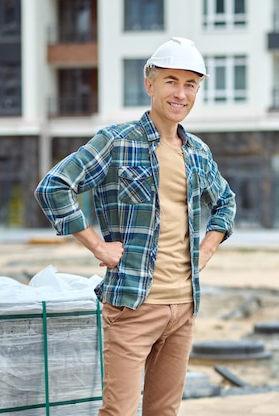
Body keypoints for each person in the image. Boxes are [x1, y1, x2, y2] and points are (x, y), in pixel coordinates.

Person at [34, 37, 236, 416]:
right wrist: (97, 246)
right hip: (132, 305)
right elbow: (54, 187)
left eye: (190, 84)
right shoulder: (116, 142)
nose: (180, 93)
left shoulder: (198, 152)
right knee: (119, 413)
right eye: (171, 81)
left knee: (164, 412)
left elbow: (226, 202)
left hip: (184, 306)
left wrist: (206, 249)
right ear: (150, 84)